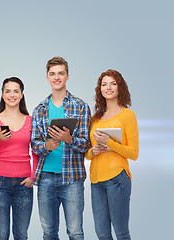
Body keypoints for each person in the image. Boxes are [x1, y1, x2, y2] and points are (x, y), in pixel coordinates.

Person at [31, 57, 91, 240]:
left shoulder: (80, 106)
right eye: (52, 74)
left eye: (61, 73)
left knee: (75, 232)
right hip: (46, 178)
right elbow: (34, 144)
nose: (57, 77)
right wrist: (47, 146)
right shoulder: (39, 109)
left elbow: (86, 144)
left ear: (67, 76)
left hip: (72, 178)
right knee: (49, 233)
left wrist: (69, 139)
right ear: (47, 77)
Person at [85, 69, 139, 240]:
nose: (108, 87)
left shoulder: (128, 115)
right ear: (99, 89)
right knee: (102, 234)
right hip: (96, 181)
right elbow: (86, 153)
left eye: (113, 83)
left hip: (118, 180)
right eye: (104, 84)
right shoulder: (94, 119)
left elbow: (134, 153)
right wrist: (92, 152)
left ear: (120, 87)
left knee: (121, 233)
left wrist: (110, 143)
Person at [0, 77, 38, 240]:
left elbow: (36, 152)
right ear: (2, 94)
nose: (12, 95)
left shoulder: (31, 121)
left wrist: (32, 177)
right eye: (8, 91)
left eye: (16, 91)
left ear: (22, 95)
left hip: (24, 183)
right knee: (2, 235)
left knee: (21, 235)